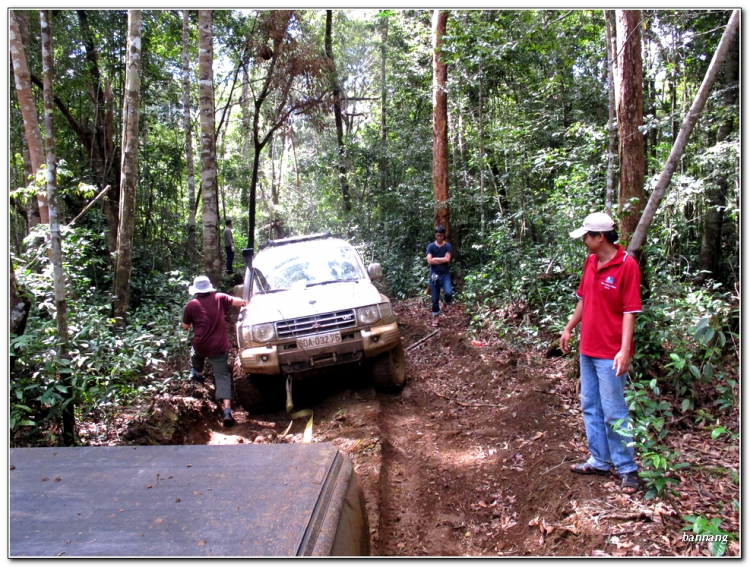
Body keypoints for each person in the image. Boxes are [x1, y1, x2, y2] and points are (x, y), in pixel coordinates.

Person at [560, 212, 642, 494]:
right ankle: (600, 460)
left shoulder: (627, 266)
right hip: (588, 349)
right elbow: (584, 299)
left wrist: (624, 350)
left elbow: (630, 312)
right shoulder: (591, 261)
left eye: (587, 235)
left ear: (600, 237)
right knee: (590, 406)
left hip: (610, 352)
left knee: (614, 411)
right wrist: (569, 327)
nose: (583, 240)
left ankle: (628, 468)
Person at [182, 275, 246, 427]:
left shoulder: (191, 305)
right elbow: (238, 302)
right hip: (219, 347)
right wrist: (245, 303)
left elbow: (185, 326)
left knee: (195, 354)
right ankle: (227, 411)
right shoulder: (219, 297)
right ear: (209, 287)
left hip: (201, 345)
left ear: (196, 290)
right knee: (222, 376)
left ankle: (197, 374)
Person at [426, 226, 453, 328]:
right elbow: (429, 260)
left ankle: (445, 303)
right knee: (435, 298)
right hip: (434, 275)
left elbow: (447, 259)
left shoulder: (447, 246)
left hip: (445, 274)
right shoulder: (431, 246)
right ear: (435, 235)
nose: (439, 238)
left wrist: (435, 259)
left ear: (444, 235)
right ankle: (436, 317)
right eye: (438, 235)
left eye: (441, 236)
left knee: (449, 292)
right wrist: (441, 259)